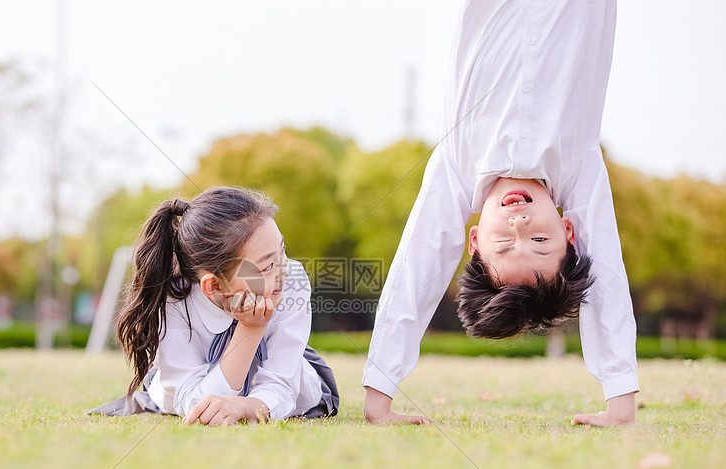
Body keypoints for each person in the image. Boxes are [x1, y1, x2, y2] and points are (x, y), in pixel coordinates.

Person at [362, 0, 638, 426]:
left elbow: (418, 269)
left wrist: (378, 397)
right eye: (541, 243)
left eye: (505, 244)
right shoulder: (579, 165)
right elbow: (608, 275)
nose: (520, 225)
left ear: (474, 242)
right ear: (568, 232)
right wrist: (620, 401)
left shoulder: (457, 164)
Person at [90, 186, 338, 425]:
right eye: (268, 266)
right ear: (215, 287)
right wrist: (249, 329)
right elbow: (196, 402)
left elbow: (281, 385)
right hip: (184, 385)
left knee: (302, 388)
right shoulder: (174, 299)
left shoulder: (290, 277)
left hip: (292, 380)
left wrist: (242, 407)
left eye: (282, 250)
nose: (284, 269)